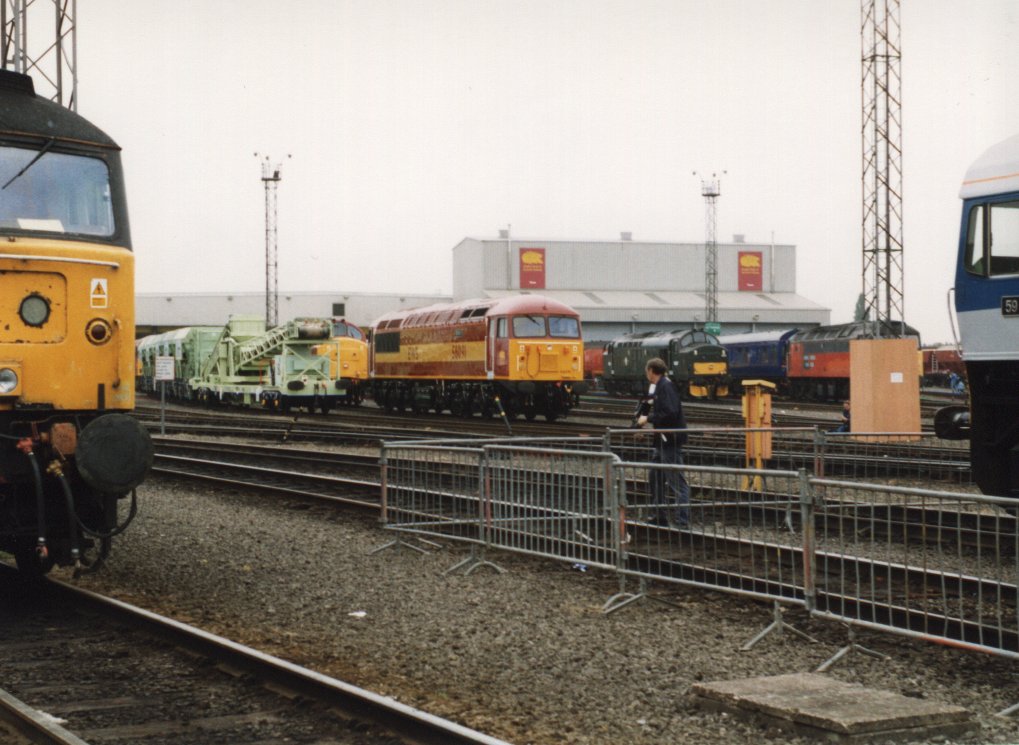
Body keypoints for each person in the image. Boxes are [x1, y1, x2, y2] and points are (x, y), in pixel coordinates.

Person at [636, 358, 690, 527]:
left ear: (651, 370)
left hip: (669, 441)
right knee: (656, 477)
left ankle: (683, 521)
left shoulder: (665, 387)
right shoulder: (660, 387)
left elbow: (670, 412)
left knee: (676, 482)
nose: (647, 374)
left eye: (647, 371)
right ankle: (659, 515)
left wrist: (648, 418)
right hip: (661, 442)